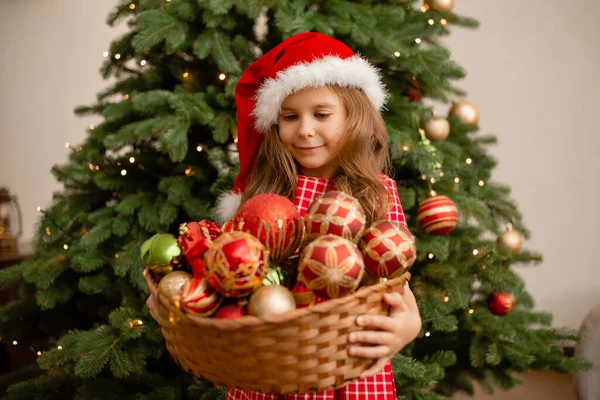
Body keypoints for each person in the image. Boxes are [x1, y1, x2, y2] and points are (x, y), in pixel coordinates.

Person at [216, 32, 421, 400]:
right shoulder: (268, 196)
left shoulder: (376, 191)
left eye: (321, 114)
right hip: (272, 368)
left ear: (354, 116)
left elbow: (396, 280)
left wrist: (408, 325)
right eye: (291, 117)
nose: (305, 129)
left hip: (349, 365)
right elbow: (223, 270)